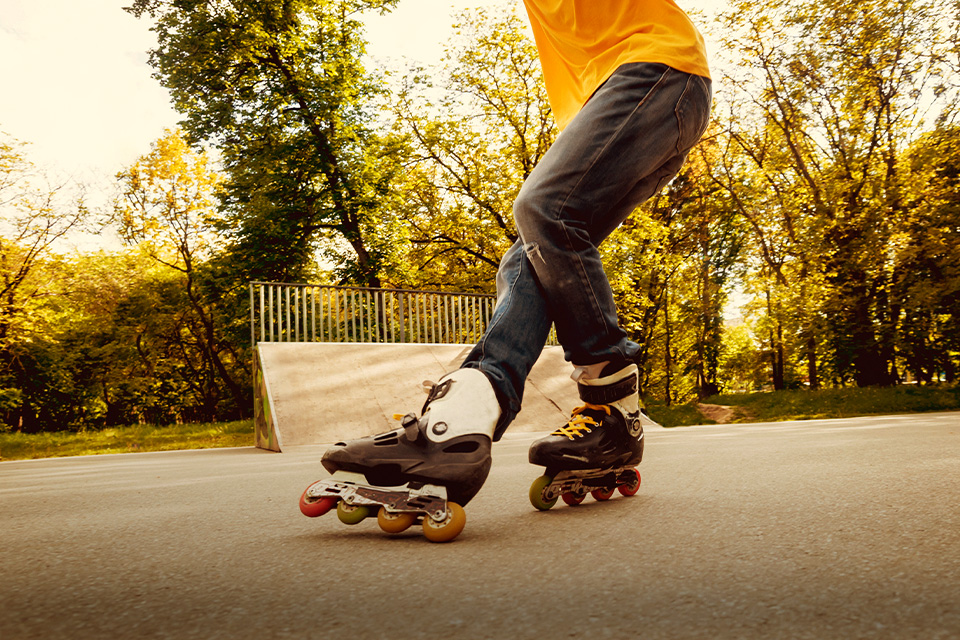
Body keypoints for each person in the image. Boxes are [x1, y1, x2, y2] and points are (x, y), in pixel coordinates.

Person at [306, 0, 712, 540]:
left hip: (656, 72)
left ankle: (610, 398)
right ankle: (471, 411)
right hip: (635, 94)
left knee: (543, 209)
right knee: (530, 254)